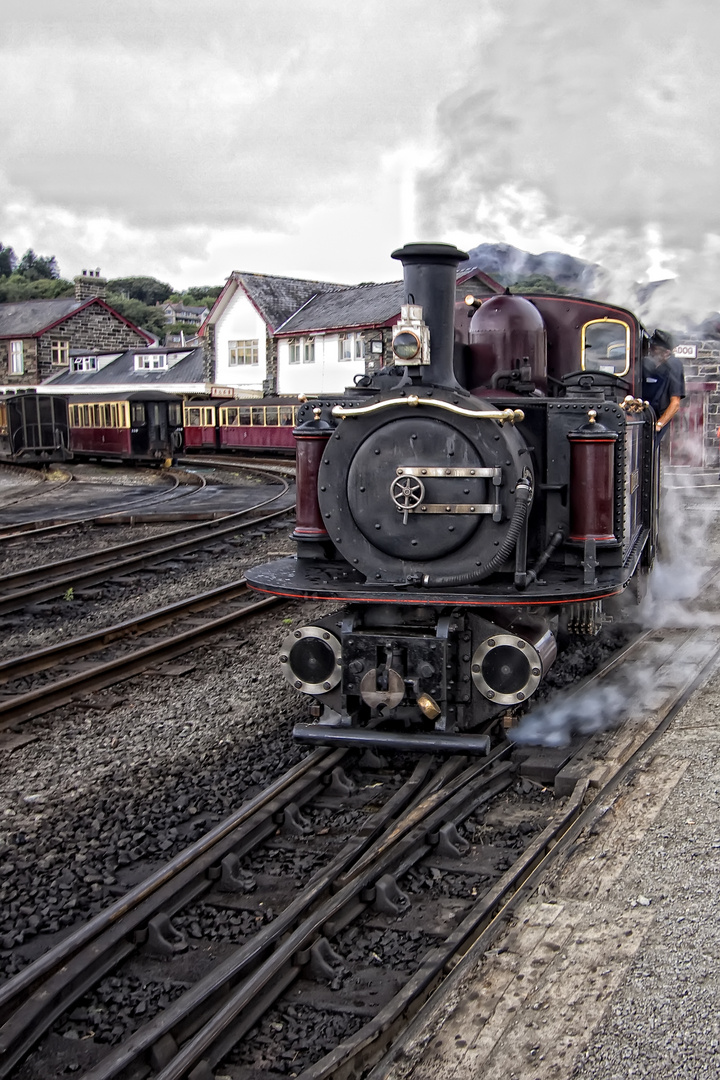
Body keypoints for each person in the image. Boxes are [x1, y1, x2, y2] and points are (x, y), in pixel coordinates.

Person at [642, 329, 686, 439]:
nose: (650, 351)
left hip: (656, 418)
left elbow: (675, 402)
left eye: (654, 349)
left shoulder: (673, 365)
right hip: (647, 416)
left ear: (666, 352)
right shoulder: (652, 365)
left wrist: (659, 424)